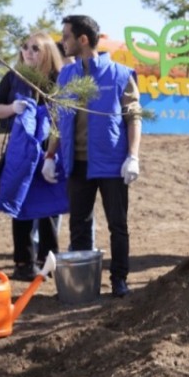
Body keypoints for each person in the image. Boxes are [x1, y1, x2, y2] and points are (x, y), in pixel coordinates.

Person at [44, 15, 142, 297]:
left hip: (112, 164)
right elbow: (59, 118)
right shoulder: (66, 75)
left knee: (117, 225)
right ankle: (83, 284)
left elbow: (134, 117)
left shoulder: (120, 75)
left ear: (83, 39)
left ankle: (119, 279)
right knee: (79, 225)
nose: (63, 42)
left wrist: (133, 156)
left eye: (66, 36)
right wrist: (50, 155)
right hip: (76, 164)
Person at [0, 32, 65, 281]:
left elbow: (62, 120)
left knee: (49, 206)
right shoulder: (13, 77)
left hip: (49, 147)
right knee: (20, 203)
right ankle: (23, 263)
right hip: (20, 148)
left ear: (48, 52)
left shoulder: (58, 79)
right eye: (25, 47)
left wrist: (52, 154)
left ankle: (49, 260)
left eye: (35, 48)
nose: (28, 52)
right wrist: (13, 108)